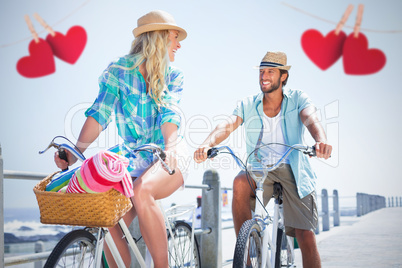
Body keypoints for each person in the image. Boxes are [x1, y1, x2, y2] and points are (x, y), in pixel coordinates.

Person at [54, 10, 188, 268]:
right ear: (159, 38)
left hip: (166, 157)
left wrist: (170, 148)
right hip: (130, 160)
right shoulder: (118, 71)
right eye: (174, 37)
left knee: (142, 190)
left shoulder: (174, 75)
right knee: (109, 221)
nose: (179, 44)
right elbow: (99, 115)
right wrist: (73, 152)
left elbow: (170, 114)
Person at [194, 51, 332, 268]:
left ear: (283, 76)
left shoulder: (298, 98)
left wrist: (320, 140)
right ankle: (245, 258)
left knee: (305, 235)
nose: (264, 76)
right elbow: (228, 125)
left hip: (293, 168)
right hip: (260, 168)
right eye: (261, 72)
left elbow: (310, 118)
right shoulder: (249, 103)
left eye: (270, 71)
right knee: (240, 182)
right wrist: (207, 143)